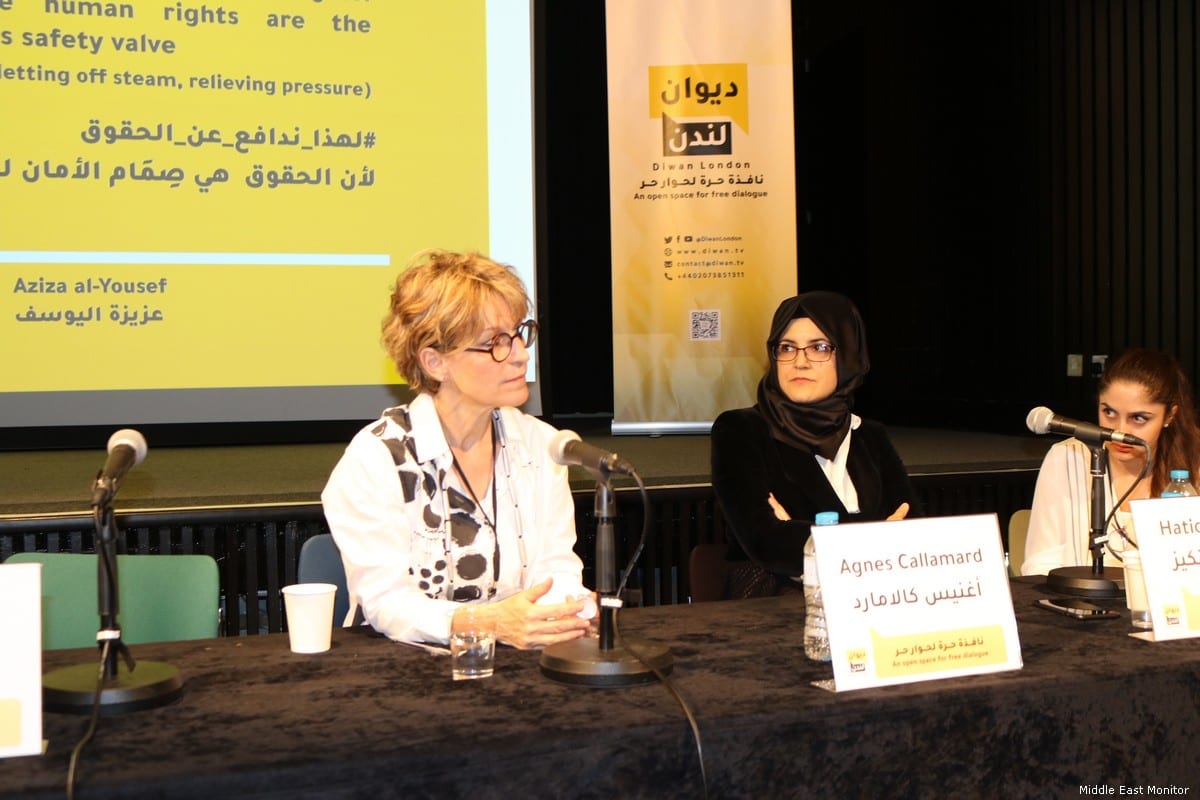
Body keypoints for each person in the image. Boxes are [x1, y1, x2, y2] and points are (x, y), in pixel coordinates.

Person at [321, 249, 594, 648]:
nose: (519, 355)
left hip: (518, 665)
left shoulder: (539, 444)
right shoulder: (376, 458)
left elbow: (556, 571)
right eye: (494, 343)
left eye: (519, 333)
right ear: (435, 362)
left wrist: (569, 608)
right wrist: (488, 623)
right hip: (404, 672)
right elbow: (387, 602)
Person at [710, 291, 913, 596]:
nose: (800, 362)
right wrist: (877, 538)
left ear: (848, 356)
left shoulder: (869, 435)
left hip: (878, 600)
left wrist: (810, 537)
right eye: (787, 347)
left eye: (819, 348)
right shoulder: (741, 430)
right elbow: (765, 542)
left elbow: (913, 527)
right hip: (775, 609)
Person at [1021, 347, 1200, 575]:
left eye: (1138, 418)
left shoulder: (1194, 464)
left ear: (1170, 416)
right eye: (1109, 412)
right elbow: (1040, 566)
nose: (1120, 430)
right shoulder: (1067, 459)